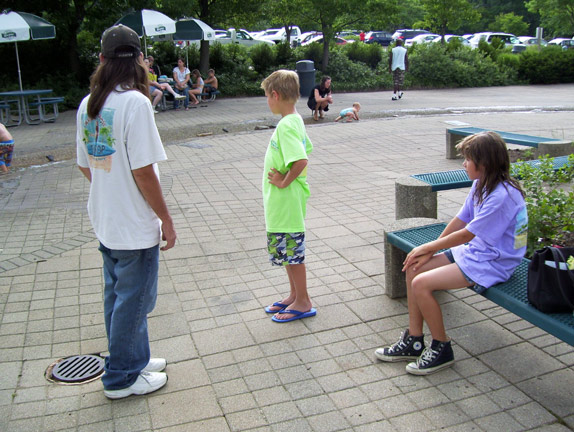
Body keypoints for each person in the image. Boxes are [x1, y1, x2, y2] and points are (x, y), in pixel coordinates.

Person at [76, 24, 177, 399]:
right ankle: (121, 377)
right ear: (139, 61)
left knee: (118, 298)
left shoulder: (89, 104)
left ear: (102, 59)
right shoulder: (136, 103)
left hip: (106, 220)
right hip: (133, 225)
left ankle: (134, 358)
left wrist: (111, 187)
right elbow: (144, 172)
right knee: (133, 302)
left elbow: (85, 165)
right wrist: (166, 219)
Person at [374, 131, 528, 375]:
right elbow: (460, 219)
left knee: (421, 284)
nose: (464, 164)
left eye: (468, 159)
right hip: (478, 252)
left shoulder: (502, 195)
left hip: (495, 263)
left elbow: (467, 234)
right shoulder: (481, 184)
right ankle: (414, 341)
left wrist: (428, 247)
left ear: (484, 163)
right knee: (414, 266)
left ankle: (441, 347)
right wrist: (431, 249)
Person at [260, 70, 316, 323]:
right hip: (282, 203)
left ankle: (303, 301)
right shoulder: (293, 120)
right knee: (286, 252)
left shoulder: (287, 125)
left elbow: (301, 159)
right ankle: (295, 295)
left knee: (292, 252)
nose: (267, 101)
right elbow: (305, 148)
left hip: (287, 202)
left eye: (266, 96)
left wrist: (283, 181)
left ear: (275, 95)